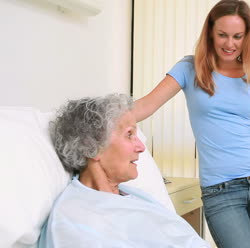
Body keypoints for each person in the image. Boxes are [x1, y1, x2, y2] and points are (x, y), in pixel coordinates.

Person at [132, 0, 250, 248]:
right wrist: (102, 119)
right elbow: (144, 106)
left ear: (247, 37)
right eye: (222, 35)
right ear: (210, 33)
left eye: (237, 36)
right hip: (221, 190)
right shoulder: (189, 68)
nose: (230, 44)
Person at [39, 94, 209, 248]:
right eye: (129, 135)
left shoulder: (132, 195)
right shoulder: (73, 219)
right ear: (92, 146)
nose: (141, 147)